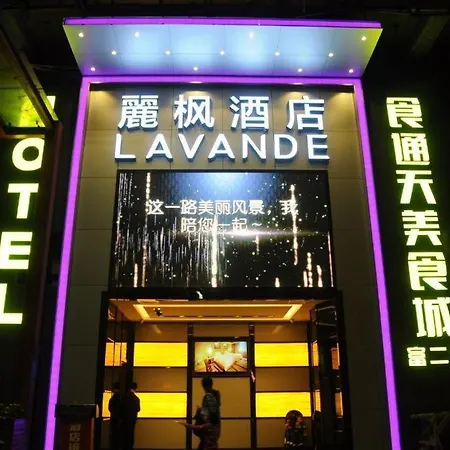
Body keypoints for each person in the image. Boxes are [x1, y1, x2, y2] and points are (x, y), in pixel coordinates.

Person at [121, 382, 140, 450]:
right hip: (132, 419)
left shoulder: (124, 397)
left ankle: (124, 447)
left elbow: (121, 408)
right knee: (131, 434)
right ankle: (130, 447)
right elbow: (138, 409)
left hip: (124, 419)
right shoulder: (136, 398)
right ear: (135, 388)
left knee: (124, 434)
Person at [108, 382, 122, 450]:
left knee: (114, 433)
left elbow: (110, 408)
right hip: (119, 419)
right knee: (118, 434)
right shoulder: (121, 397)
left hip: (114, 417)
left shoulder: (113, 398)